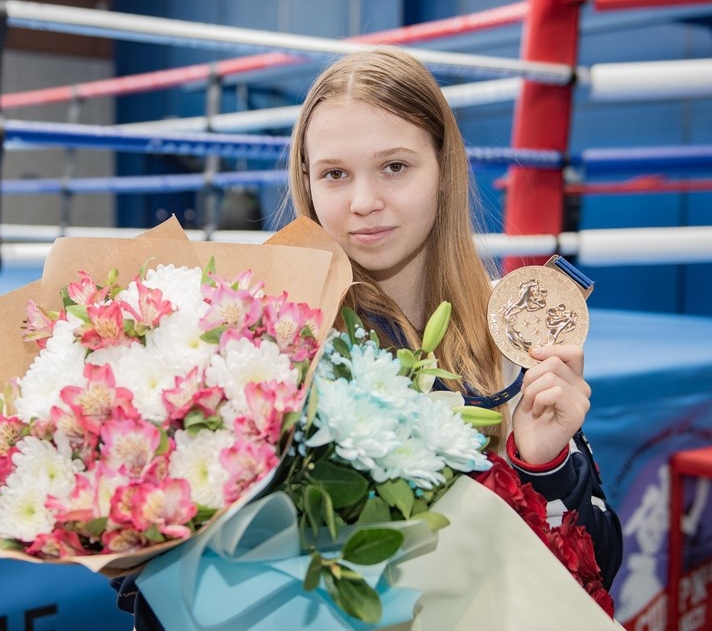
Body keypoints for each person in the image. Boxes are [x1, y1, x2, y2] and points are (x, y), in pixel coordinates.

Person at [114, 44, 622, 626]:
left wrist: (544, 464)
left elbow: (599, 570)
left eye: (395, 167)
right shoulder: (259, 344)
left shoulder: (511, 333)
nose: (363, 202)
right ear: (307, 182)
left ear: (444, 168)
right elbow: (160, 593)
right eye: (335, 174)